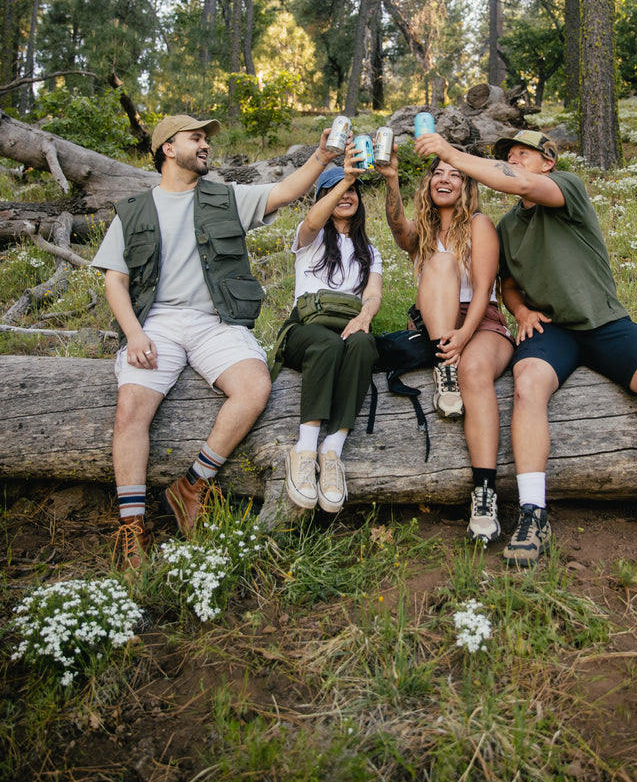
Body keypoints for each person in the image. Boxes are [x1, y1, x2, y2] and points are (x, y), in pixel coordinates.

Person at [413, 127, 637, 566]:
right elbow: (506, 283)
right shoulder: (509, 225)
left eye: (521, 154)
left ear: (547, 162)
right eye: (507, 155)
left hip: (606, 323)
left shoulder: (566, 187)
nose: (513, 161)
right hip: (553, 331)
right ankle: (533, 514)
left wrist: (449, 151)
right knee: (527, 383)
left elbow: (522, 183)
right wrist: (521, 312)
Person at [92, 113, 340, 571]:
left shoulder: (223, 197)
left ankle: (192, 484)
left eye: (207, 139)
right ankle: (132, 526)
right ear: (168, 148)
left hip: (215, 321)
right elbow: (115, 280)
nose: (205, 145)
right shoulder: (134, 210)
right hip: (157, 323)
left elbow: (283, 193)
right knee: (130, 409)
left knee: (254, 386)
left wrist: (322, 156)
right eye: (196, 138)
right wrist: (134, 333)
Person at [378, 147, 514, 542]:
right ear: (428, 183)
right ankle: (444, 367)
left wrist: (465, 335)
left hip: (481, 321)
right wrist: (390, 179)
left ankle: (484, 493)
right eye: (438, 172)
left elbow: (488, 288)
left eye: (455, 174)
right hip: (437, 327)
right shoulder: (422, 233)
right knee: (439, 262)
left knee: (475, 371)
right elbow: (397, 228)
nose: (444, 179)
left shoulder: (479, 224)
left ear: (467, 185)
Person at [277, 147, 383, 513]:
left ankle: (331, 451)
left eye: (353, 190)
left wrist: (365, 316)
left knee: (364, 345)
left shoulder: (369, 249)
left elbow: (373, 294)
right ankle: (304, 450)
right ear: (325, 197)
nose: (347, 194)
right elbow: (310, 221)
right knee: (327, 345)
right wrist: (347, 178)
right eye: (336, 189)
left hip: (347, 326)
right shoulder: (311, 238)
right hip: (305, 331)